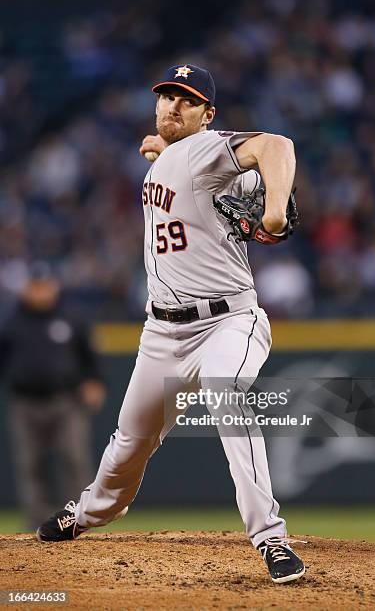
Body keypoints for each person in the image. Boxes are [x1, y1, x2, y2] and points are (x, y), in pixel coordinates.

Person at [36, 64, 305, 584]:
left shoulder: (205, 149)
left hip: (228, 322)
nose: (171, 107)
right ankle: (90, 513)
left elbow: (277, 146)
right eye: (166, 97)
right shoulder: (177, 154)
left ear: (209, 114)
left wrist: (272, 213)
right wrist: (157, 149)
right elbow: (179, 167)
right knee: (128, 443)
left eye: (186, 100)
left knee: (227, 394)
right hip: (163, 333)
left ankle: (270, 538)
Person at [0, 261, 106, 529]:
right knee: (30, 465)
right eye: (35, 286)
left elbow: (90, 356)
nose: (40, 292)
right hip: (25, 403)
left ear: (54, 286)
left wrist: (94, 382)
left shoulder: (71, 316)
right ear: (26, 288)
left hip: (65, 401)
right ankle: (37, 523)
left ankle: (78, 519)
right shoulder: (11, 320)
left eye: (44, 285)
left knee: (74, 461)